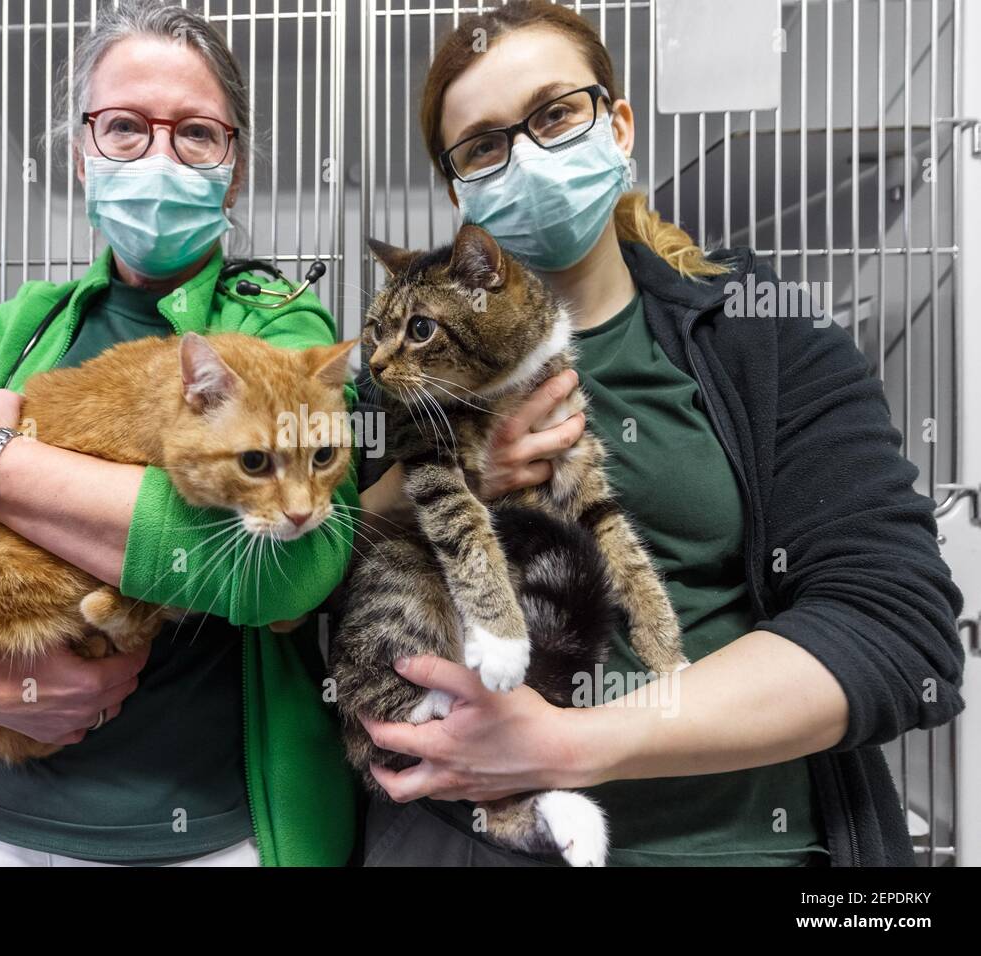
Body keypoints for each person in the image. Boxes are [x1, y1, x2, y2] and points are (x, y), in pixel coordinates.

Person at [355, 0, 964, 866]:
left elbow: (896, 630)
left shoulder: (764, 332)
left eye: (555, 114)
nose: (525, 155)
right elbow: (301, 593)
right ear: (460, 192)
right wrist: (424, 491)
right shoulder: (401, 374)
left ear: (619, 124)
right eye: (485, 145)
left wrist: (567, 743)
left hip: (760, 847)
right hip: (466, 839)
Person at [0, 0, 365, 867]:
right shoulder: (13, 334)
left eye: (196, 134)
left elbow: (297, 572)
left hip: (210, 835)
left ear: (233, 170)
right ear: (82, 154)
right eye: (124, 128)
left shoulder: (280, 334)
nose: (160, 157)